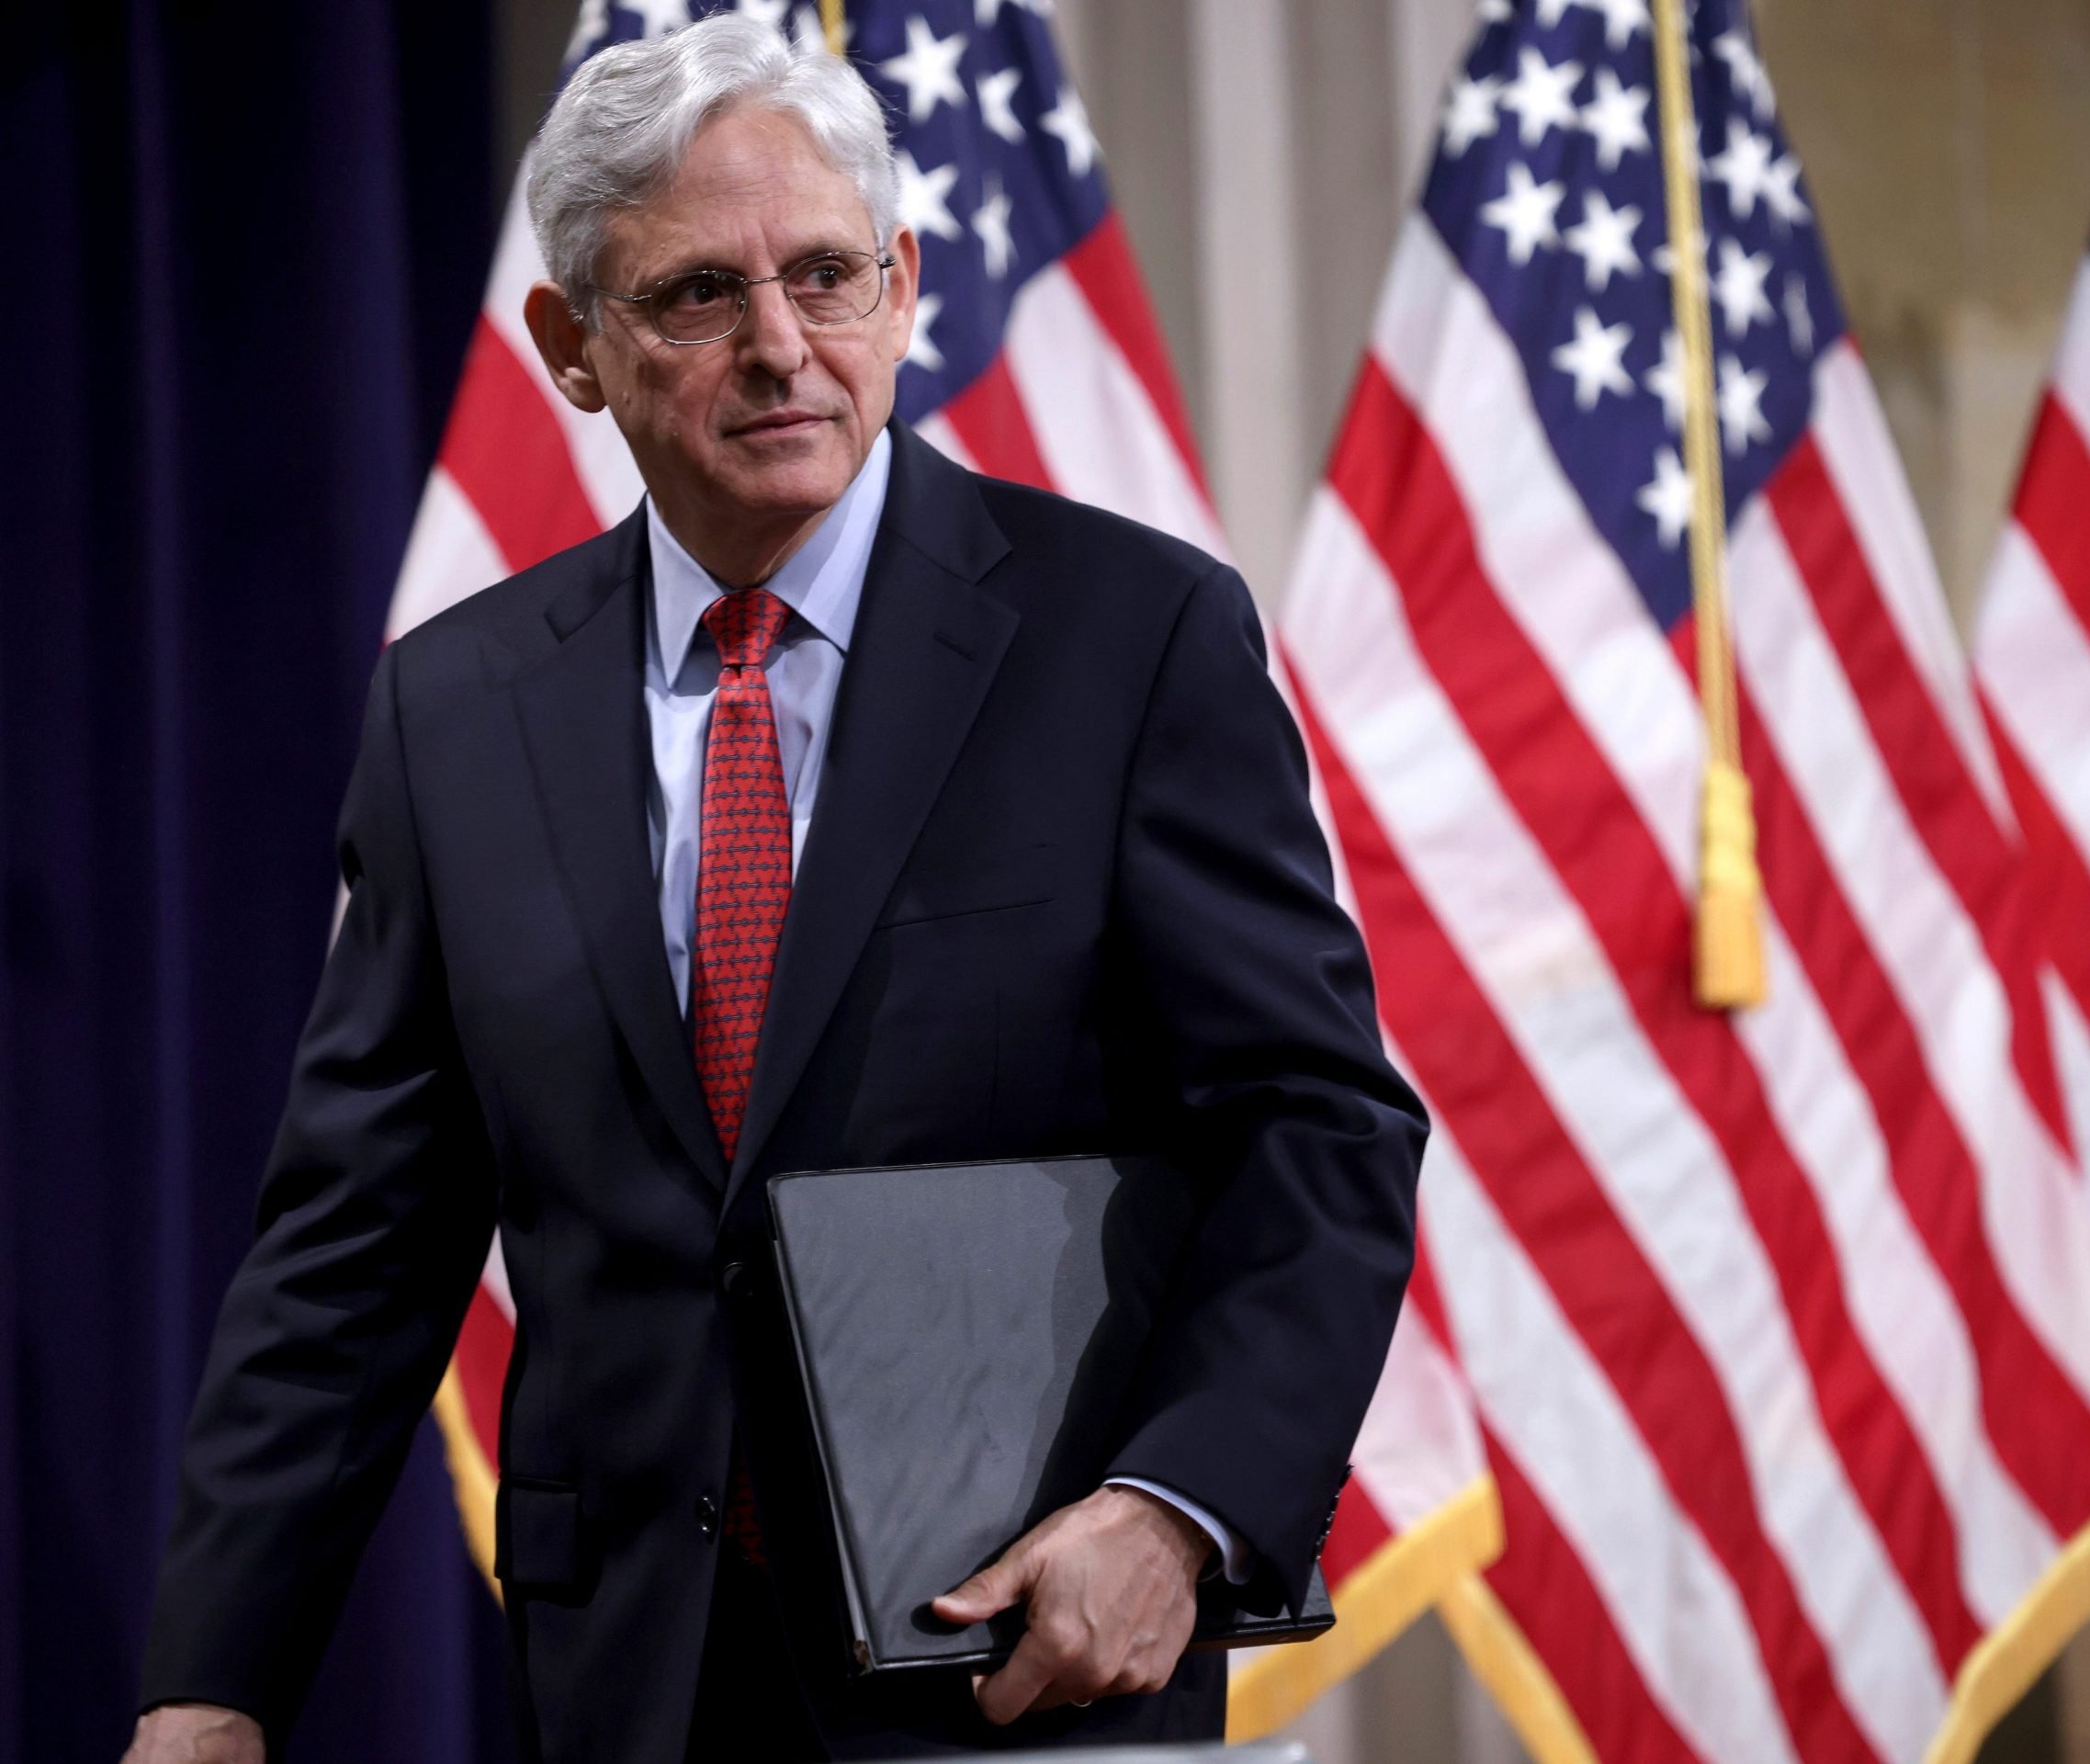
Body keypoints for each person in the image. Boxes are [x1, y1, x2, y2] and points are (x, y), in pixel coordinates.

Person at [126, 17, 1423, 1764]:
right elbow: (354, 1251)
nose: (782, 349)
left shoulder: (1132, 642)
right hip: (633, 1689)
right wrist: (210, 1688)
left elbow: (1320, 1129)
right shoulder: (455, 709)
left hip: (1025, 1659)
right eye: (697, 299)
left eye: (826, 275)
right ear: (572, 348)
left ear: (901, 288)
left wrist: (1177, 1510)